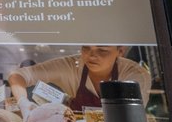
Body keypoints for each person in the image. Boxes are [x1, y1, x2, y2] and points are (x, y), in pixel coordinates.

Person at [8, 45, 152, 118]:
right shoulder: (72, 65)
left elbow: (128, 117)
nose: (92, 55)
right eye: (86, 48)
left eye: (102, 50)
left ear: (120, 51)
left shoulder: (135, 74)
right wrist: (23, 102)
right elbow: (18, 76)